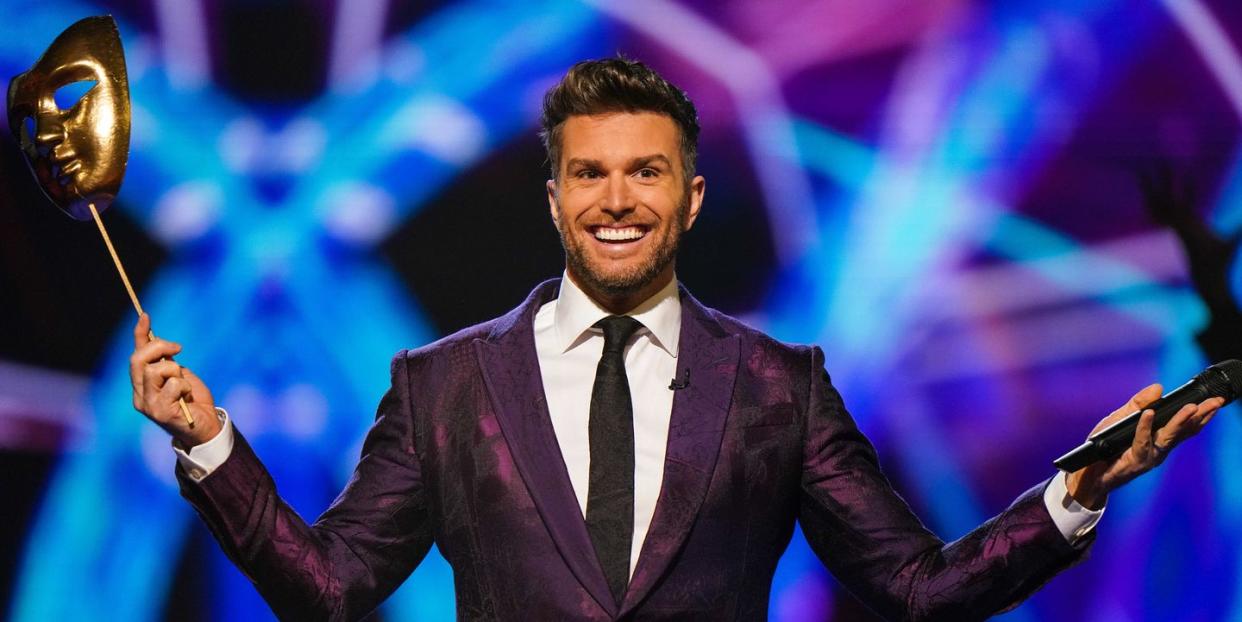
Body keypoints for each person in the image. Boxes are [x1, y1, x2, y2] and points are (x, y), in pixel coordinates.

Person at [129, 58, 1224, 621]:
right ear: (553, 197)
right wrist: (212, 443)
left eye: (645, 171)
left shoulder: (777, 385)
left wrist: (1079, 488)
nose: (618, 199)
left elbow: (916, 589)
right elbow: (329, 589)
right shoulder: (444, 383)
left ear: (691, 197)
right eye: (590, 173)